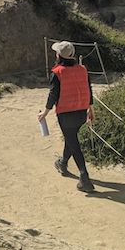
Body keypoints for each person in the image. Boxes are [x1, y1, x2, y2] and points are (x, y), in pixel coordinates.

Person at [37, 40, 95, 192]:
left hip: (66, 113)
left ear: (59, 55)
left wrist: (45, 112)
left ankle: (84, 177)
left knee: (73, 143)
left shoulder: (57, 72)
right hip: (81, 112)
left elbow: (53, 94)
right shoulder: (83, 69)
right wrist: (91, 109)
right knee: (71, 138)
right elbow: (88, 89)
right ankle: (62, 163)